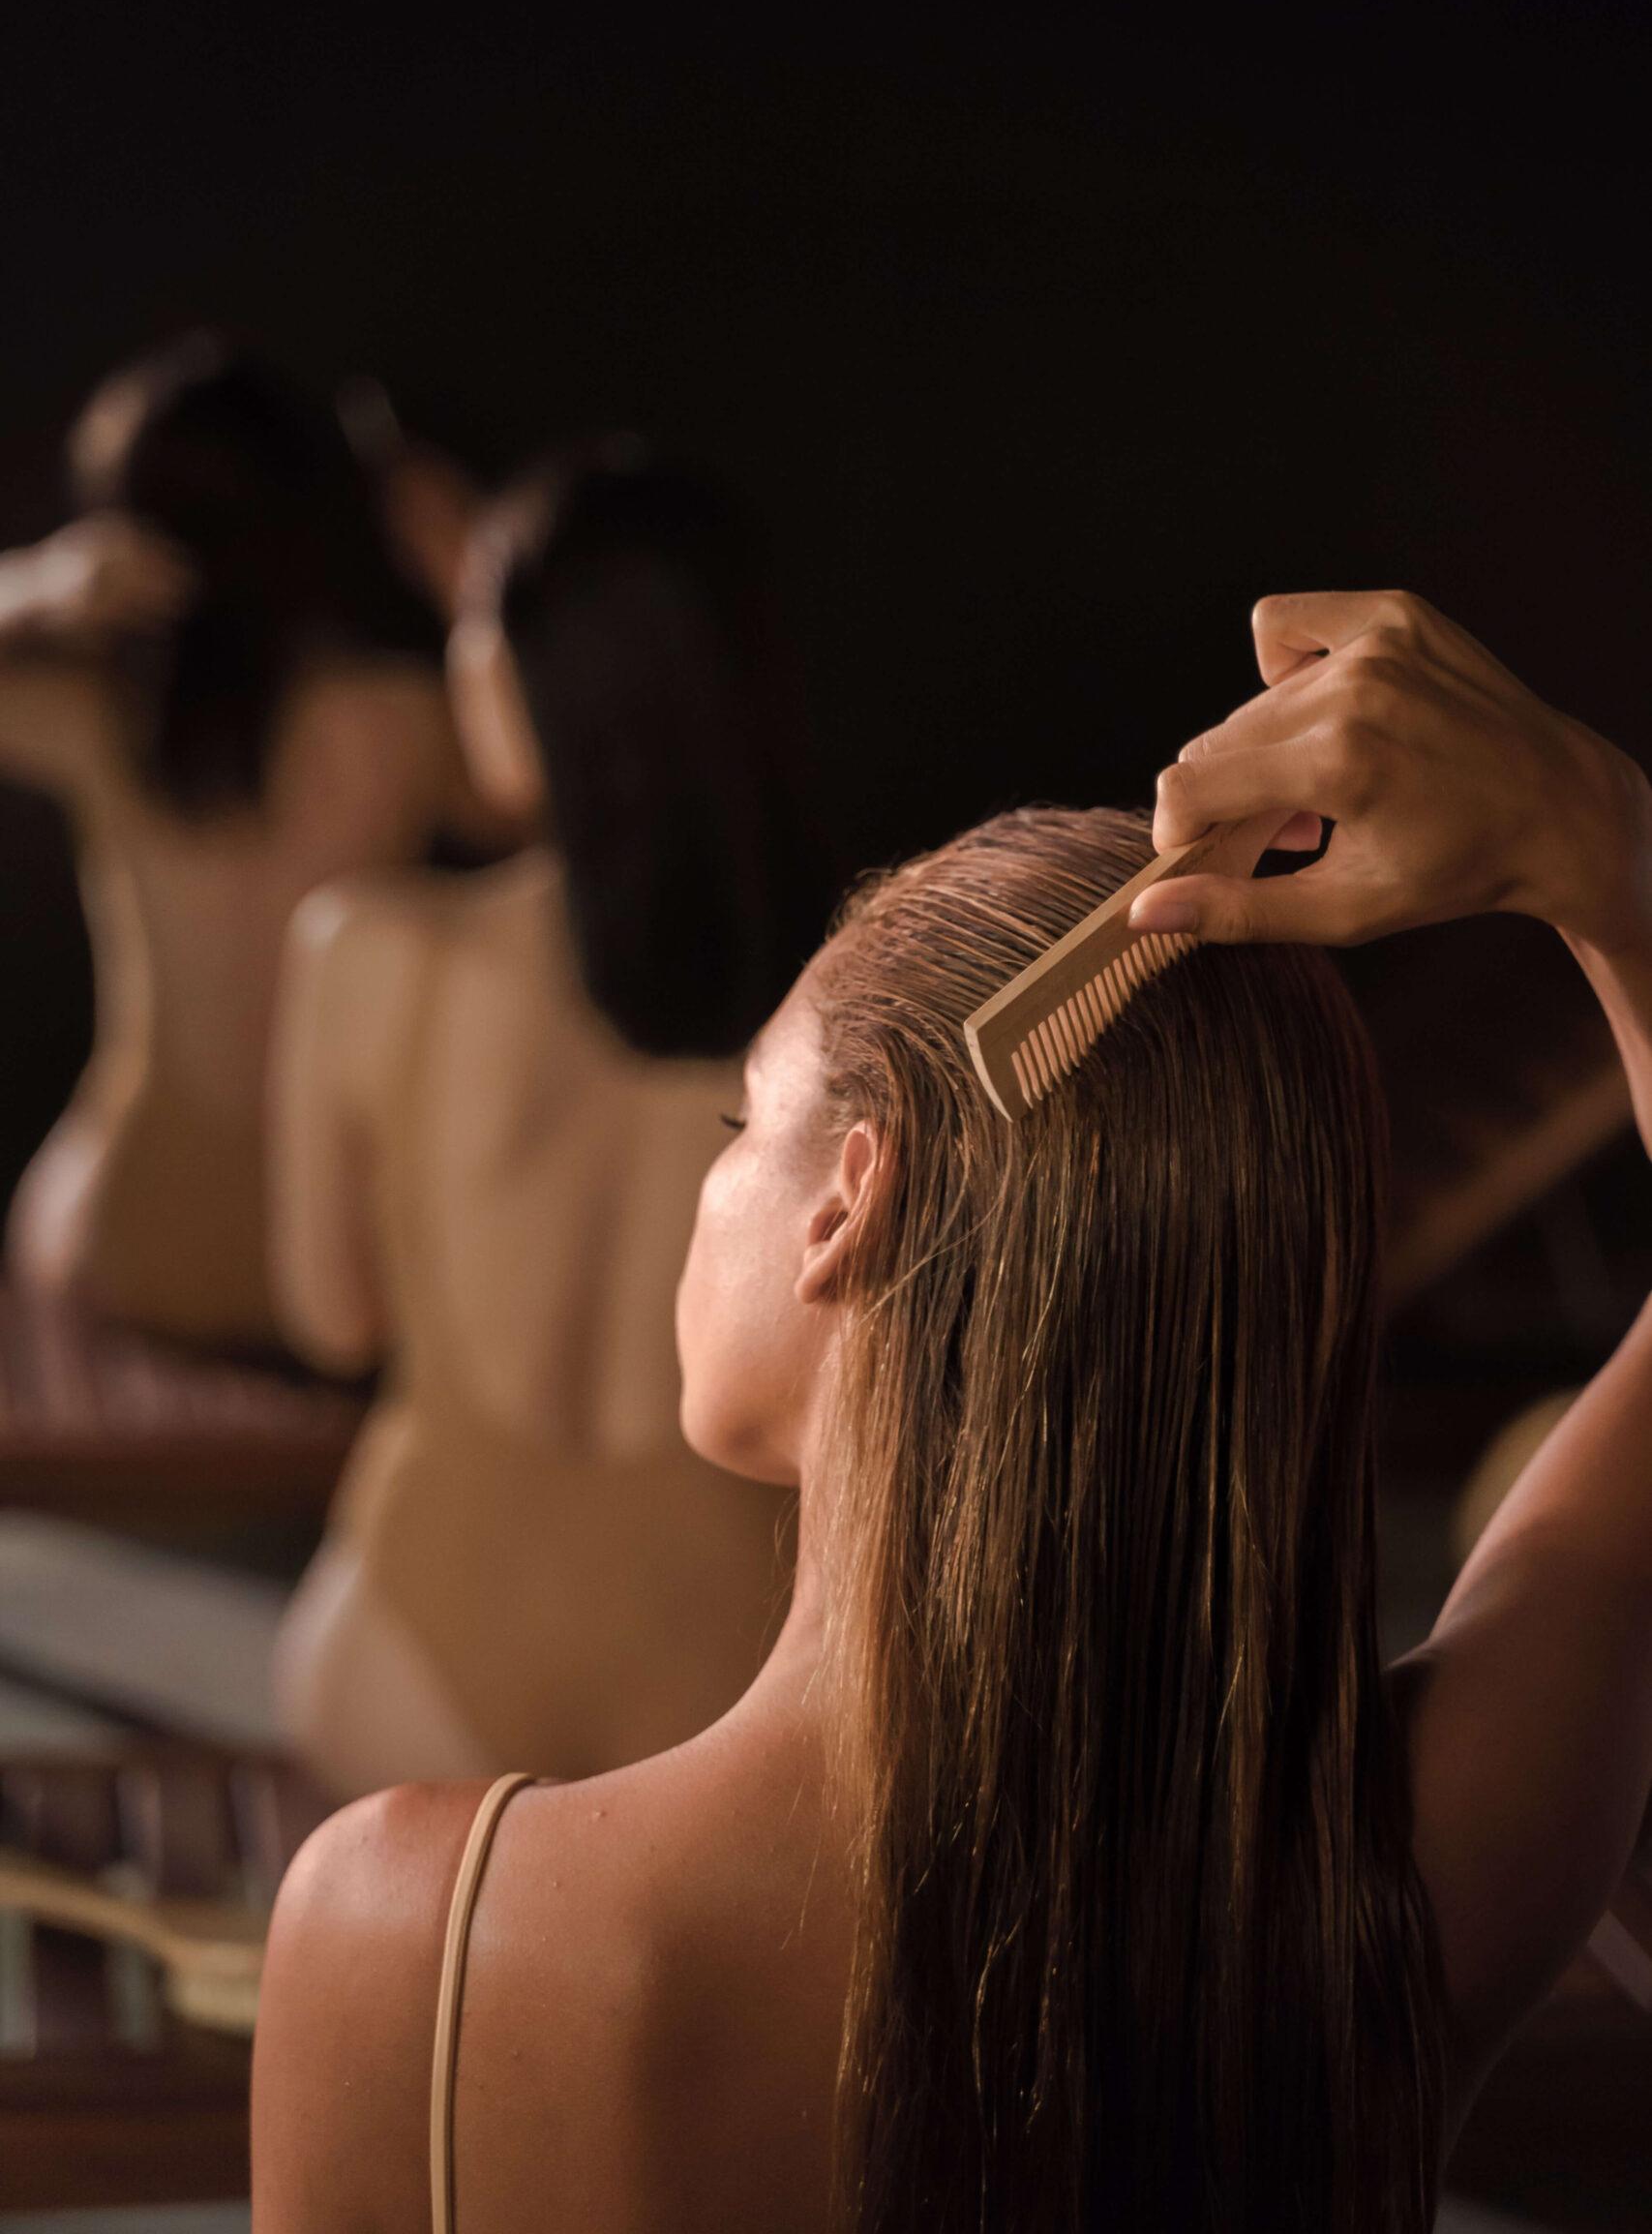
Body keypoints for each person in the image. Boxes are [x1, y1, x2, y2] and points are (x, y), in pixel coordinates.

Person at [253, 591, 1652, 2233]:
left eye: (737, 1119)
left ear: (852, 1200)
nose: (706, 1181)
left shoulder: (409, 1937)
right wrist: (1596, 836)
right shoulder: (1418, 1880)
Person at [268, 450, 823, 1791]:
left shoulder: (364, 951)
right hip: (722, 1705)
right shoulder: (864, 995)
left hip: (412, 1659)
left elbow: (329, 1319)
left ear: (524, 678)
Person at [0, 335, 484, 1351]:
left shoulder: (97, 724)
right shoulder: (404, 721)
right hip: (339, 1261)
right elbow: (563, 781)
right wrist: (470, 572)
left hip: (127, 1236)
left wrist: (36, 587)